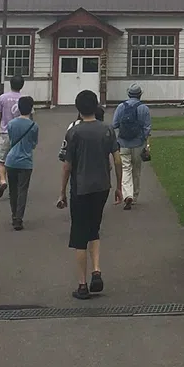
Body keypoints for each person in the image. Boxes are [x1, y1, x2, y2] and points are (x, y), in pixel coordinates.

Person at [56, 89, 114, 300]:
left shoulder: (74, 132)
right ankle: (96, 270)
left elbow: (67, 166)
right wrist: (118, 187)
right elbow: (115, 159)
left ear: (78, 108)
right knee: (94, 229)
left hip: (80, 188)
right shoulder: (107, 130)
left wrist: (62, 192)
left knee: (79, 236)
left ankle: (82, 285)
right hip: (102, 187)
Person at [112, 83, 152, 210]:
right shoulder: (144, 108)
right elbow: (147, 128)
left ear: (128, 94)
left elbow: (114, 124)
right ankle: (134, 196)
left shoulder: (120, 107)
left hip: (123, 143)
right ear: (140, 94)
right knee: (136, 170)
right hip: (138, 143)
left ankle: (127, 194)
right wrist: (144, 141)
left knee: (125, 169)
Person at [2, 95, 39, 230]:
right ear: (31, 109)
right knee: (22, 190)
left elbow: (11, 140)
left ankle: (13, 215)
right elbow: (34, 144)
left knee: (13, 190)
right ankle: (19, 218)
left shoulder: (11, 124)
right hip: (26, 161)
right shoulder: (34, 126)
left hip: (11, 160)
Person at [0, 76, 26, 198]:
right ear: (22, 85)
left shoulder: (3, 98)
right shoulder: (24, 99)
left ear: (10, 84)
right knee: (17, 160)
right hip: (20, 134)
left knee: (2, 160)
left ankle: (3, 181)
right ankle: (16, 184)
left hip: (5, 133)